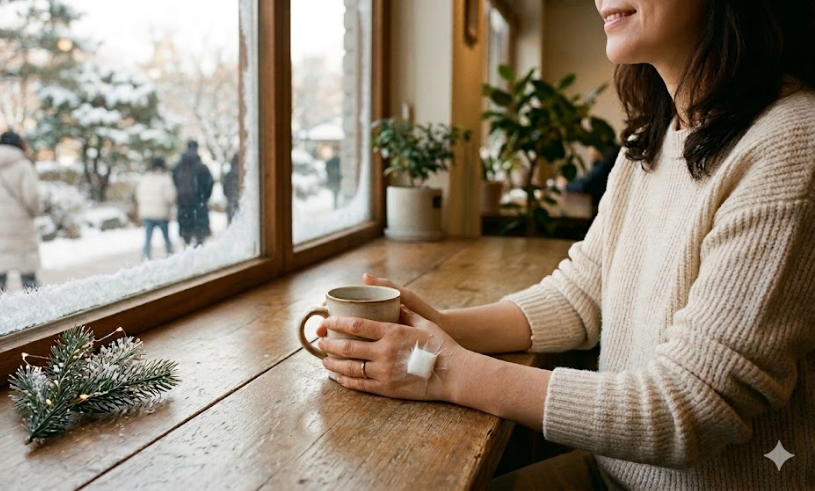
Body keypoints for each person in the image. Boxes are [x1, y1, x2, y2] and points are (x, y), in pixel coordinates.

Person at [314, 1, 815, 489]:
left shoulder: (792, 141)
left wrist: (441, 369)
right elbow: (582, 293)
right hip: (611, 472)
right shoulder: (654, 139)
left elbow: (688, 407)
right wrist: (445, 328)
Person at [0, 131, 42, 294]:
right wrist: (36, 211)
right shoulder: (24, 166)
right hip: (21, 226)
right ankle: (39, 313)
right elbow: (32, 197)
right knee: (28, 276)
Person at [172, 140, 214, 247]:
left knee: (186, 239)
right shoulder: (202, 167)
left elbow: (174, 183)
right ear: (196, 149)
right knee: (199, 241)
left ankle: (187, 257)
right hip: (199, 206)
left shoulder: (178, 167)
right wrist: (203, 198)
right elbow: (209, 184)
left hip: (184, 207)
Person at [136, 157, 176, 260]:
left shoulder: (145, 178)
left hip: (147, 213)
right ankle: (171, 255)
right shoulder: (165, 178)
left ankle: (145, 256)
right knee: (166, 237)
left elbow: (138, 195)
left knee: (148, 238)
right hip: (161, 213)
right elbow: (170, 197)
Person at [565, 142, 620, 206]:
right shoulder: (606, 158)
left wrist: (566, 185)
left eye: (591, 147)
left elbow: (585, 185)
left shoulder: (609, 159)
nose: (590, 151)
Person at [223, 153, 240, 225]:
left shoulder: (229, 174)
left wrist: (228, 195)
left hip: (231, 199)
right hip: (240, 199)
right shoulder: (242, 173)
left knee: (232, 221)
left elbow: (225, 189)